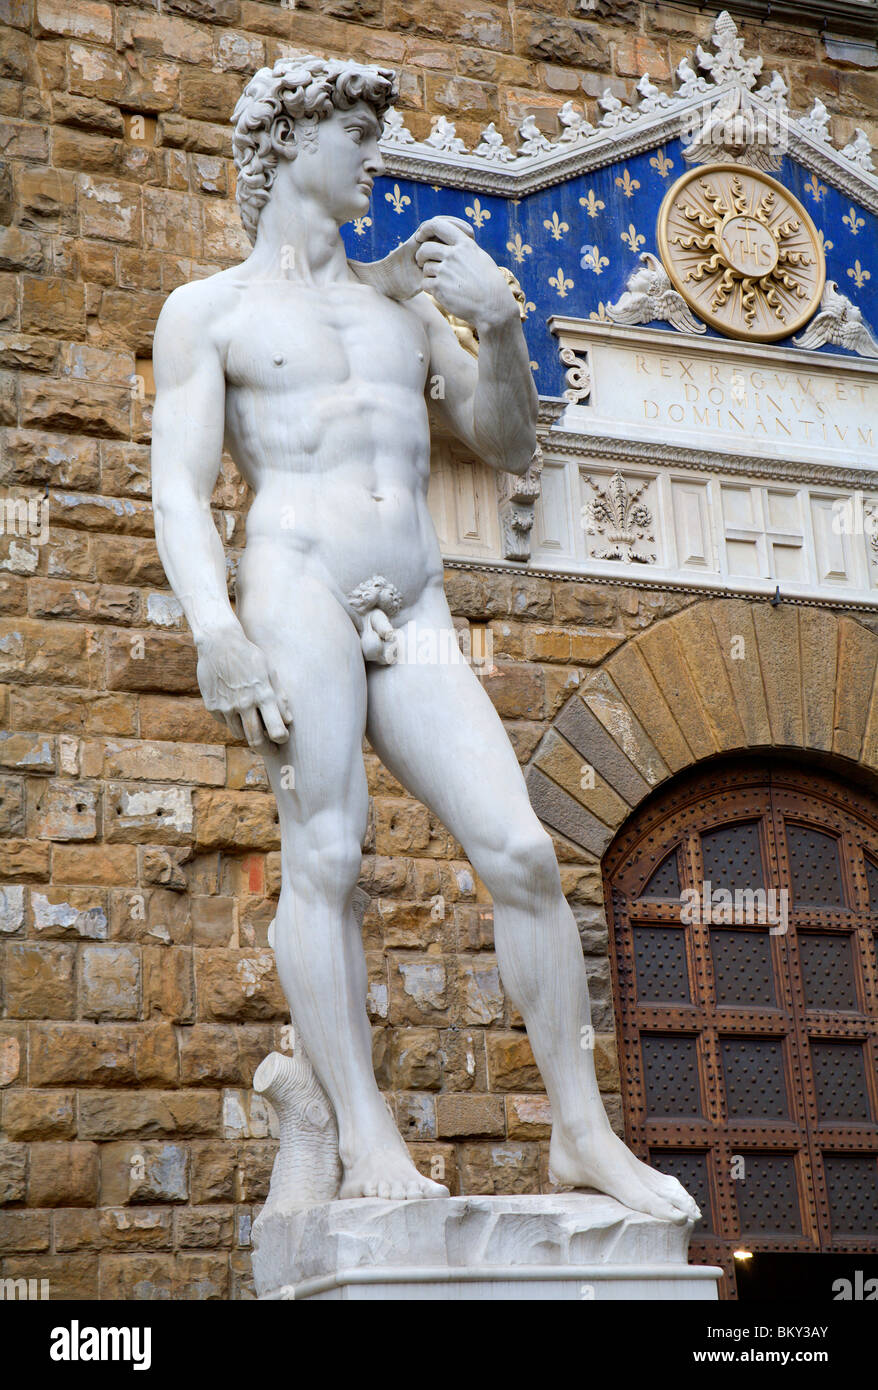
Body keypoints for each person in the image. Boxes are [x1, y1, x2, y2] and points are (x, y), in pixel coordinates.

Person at [151, 55, 698, 1220]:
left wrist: (497, 329)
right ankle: (359, 1131)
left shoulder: (401, 304)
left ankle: (580, 1136)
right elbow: (177, 486)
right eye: (355, 131)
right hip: (293, 592)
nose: (373, 155)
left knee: (521, 855)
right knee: (329, 858)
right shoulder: (212, 313)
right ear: (291, 142)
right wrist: (215, 630)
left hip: (413, 605)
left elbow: (504, 443)